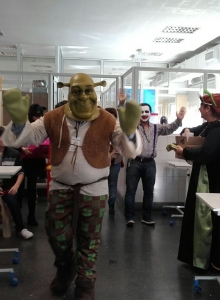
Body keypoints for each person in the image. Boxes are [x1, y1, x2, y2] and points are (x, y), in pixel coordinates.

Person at [2, 73, 142, 300]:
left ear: (95, 91)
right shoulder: (53, 117)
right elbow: (27, 138)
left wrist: (129, 131)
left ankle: (86, 284)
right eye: (77, 91)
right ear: (68, 92)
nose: (84, 96)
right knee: (56, 234)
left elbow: (131, 151)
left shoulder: (107, 119)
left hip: (94, 189)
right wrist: (19, 122)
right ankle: (65, 268)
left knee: (89, 238)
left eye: (89, 90)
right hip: (60, 187)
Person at [174, 90, 220, 273]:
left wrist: (184, 152)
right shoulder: (215, 126)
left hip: (212, 183)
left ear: (209, 109)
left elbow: (206, 152)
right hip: (208, 179)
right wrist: (187, 131)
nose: (199, 109)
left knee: (206, 219)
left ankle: (205, 259)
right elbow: (198, 131)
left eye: (202, 106)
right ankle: (199, 257)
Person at [120, 100, 186, 227]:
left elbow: (169, 128)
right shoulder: (132, 127)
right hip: (134, 162)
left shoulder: (157, 127)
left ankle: (147, 217)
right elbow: (123, 125)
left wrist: (178, 120)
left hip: (150, 163)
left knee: (149, 191)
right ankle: (129, 217)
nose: (144, 114)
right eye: (141, 112)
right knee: (130, 191)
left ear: (150, 113)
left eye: (146, 111)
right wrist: (122, 106)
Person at [0, 126, 33, 239]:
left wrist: (16, 186)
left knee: (14, 202)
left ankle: (21, 228)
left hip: (8, 187)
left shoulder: (14, 153)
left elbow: (21, 172)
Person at [20, 103, 48, 226]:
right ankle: (19, 217)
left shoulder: (43, 126)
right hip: (24, 160)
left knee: (32, 189)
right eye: (35, 116)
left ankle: (31, 215)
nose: (37, 119)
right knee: (20, 190)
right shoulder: (24, 126)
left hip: (35, 160)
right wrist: (22, 149)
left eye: (39, 116)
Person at [105, 107, 123, 215]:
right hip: (102, 162)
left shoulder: (119, 129)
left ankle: (111, 205)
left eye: (113, 116)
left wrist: (111, 155)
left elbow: (119, 146)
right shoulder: (100, 128)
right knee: (101, 183)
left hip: (115, 161)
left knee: (112, 183)